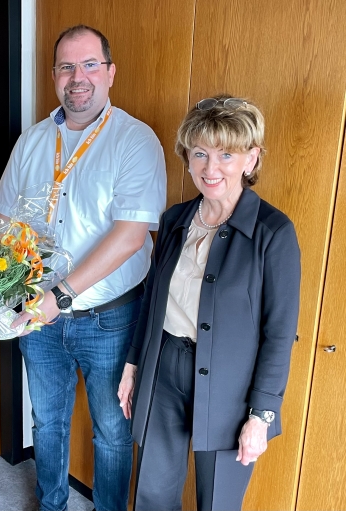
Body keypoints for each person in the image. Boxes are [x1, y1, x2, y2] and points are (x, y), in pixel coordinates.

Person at [0, 25, 166, 511]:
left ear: (110, 72)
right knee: (47, 421)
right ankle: (52, 504)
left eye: (90, 64)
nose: (78, 77)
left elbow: (131, 236)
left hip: (109, 317)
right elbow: (5, 222)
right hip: (36, 316)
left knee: (112, 430)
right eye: (67, 66)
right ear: (53, 77)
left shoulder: (135, 140)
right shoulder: (32, 141)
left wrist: (59, 296)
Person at [118, 95, 301, 510]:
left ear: (251, 160)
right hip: (164, 367)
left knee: (217, 502)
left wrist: (261, 415)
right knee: (152, 492)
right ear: (187, 157)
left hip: (232, 387)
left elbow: (278, 333)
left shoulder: (274, 233)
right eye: (199, 153)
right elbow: (152, 300)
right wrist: (133, 365)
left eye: (226, 154)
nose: (210, 167)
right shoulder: (175, 219)